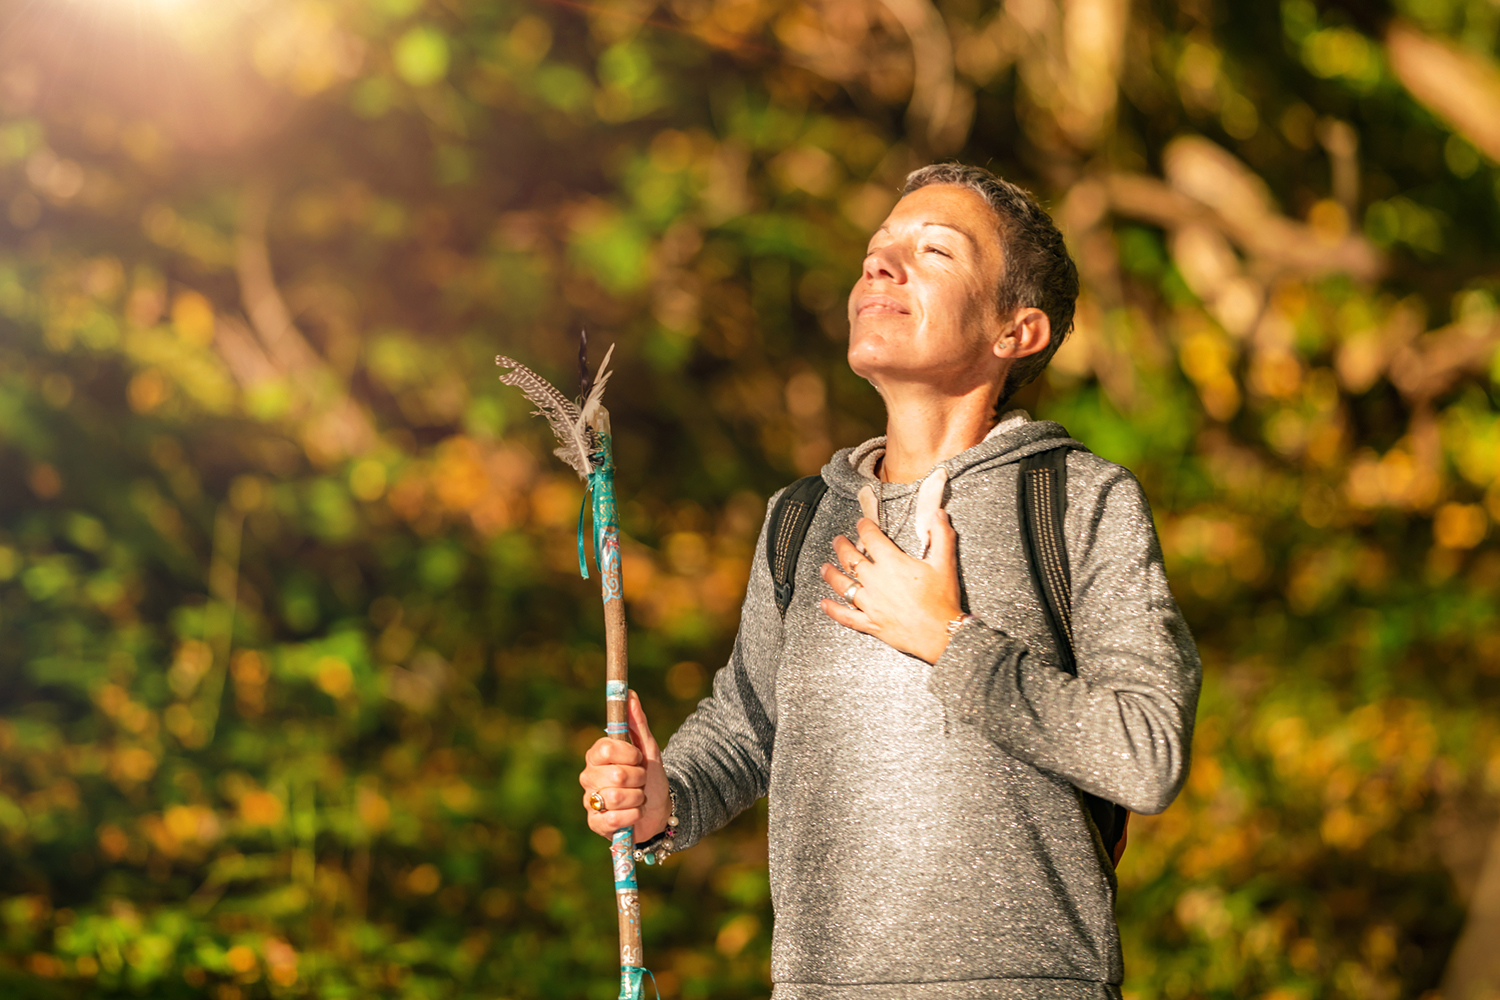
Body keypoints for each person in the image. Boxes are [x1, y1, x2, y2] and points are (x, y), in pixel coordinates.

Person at [578, 163, 1201, 998]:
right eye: (876, 251)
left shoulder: (1078, 501)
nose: (881, 265)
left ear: (1017, 332)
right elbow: (748, 725)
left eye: (933, 251)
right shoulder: (800, 518)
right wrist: (666, 797)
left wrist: (948, 641)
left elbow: (1146, 751)